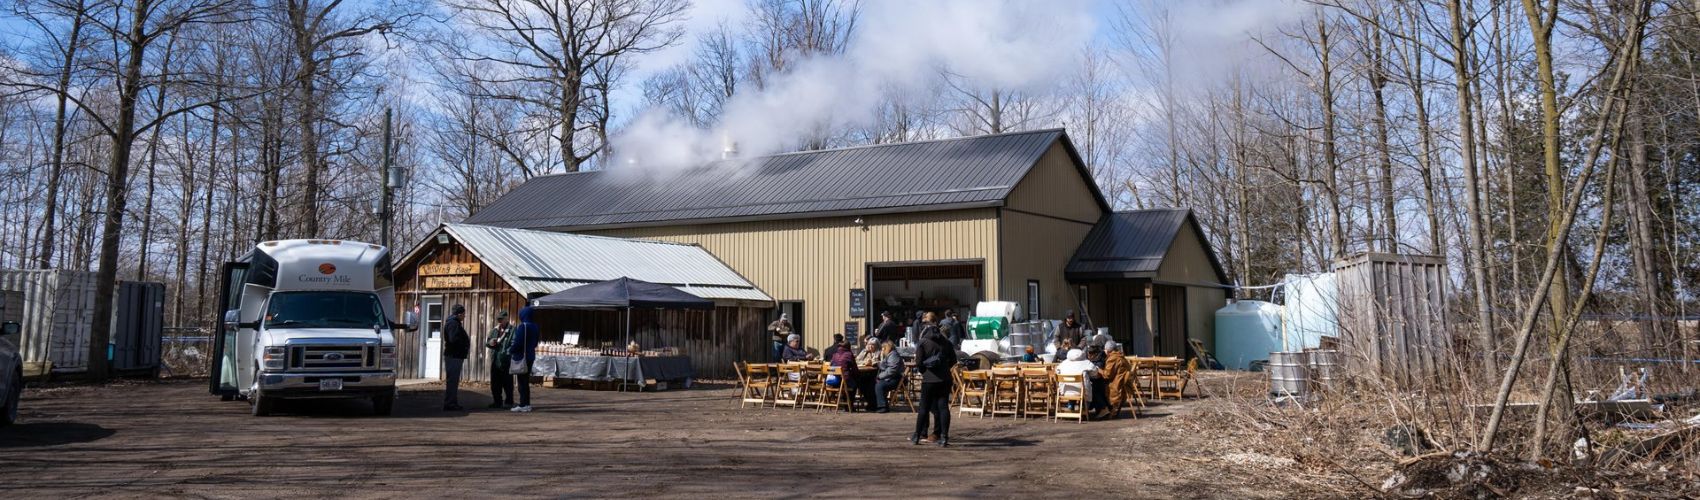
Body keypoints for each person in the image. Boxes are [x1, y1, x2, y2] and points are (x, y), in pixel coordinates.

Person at [912, 312, 956, 447]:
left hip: (929, 379)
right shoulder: (946, 342)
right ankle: (944, 437)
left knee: (924, 408)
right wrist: (943, 368)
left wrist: (925, 371)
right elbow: (953, 360)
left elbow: (918, 362)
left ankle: (917, 435)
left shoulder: (923, 342)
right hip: (945, 378)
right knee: (943, 408)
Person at [508, 305, 541, 413]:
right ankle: (526, 404)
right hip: (531, 355)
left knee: (521, 381)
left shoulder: (523, 327)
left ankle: (523, 404)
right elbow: (535, 343)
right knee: (525, 381)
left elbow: (518, 343)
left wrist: (511, 350)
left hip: (522, 356)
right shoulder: (535, 326)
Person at [441, 304, 471, 411]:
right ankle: (450, 403)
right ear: (459, 314)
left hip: (454, 355)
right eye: (463, 314)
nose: (464, 316)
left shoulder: (454, 323)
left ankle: (451, 402)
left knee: (453, 380)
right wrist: (462, 345)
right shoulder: (453, 324)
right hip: (453, 355)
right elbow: (453, 339)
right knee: (452, 381)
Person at [483, 310, 515, 409]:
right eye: (498, 319)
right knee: (495, 383)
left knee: (508, 383)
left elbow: (514, 343)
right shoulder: (494, 330)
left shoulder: (512, 330)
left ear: (507, 318)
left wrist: (507, 352)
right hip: (495, 359)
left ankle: (509, 401)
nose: (500, 321)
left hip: (506, 360)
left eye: (502, 319)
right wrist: (490, 343)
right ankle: (497, 401)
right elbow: (487, 342)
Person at [1055, 348, 1097, 416]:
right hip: (1082, 391)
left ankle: (1070, 406)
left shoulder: (1063, 363)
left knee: (1072, 389)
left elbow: (1056, 371)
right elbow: (1095, 372)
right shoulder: (1086, 362)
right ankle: (1084, 409)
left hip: (1065, 391)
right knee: (1086, 389)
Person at [1098, 341, 1133, 419]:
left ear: (1108, 350)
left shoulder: (1112, 359)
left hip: (1116, 384)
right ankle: (1108, 410)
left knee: (1097, 387)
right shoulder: (1121, 356)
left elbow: (1107, 375)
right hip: (1123, 383)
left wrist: (1098, 370)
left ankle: (1105, 410)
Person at [872, 341, 904, 413]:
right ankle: (874, 404)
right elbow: (885, 365)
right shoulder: (890, 355)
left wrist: (879, 376)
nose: (882, 350)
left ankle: (883, 407)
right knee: (871, 382)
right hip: (891, 377)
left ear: (887, 348)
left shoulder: (894, 355)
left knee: (879, 385)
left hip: (895, 379)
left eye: (883, 348)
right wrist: (877, 364)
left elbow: (892, 370)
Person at [854, 339, 882, 410]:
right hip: (865, 373)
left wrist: (872, 362)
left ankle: (873, 404)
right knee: (860, 383)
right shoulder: (865, 351)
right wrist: (864, 359)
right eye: (869, 344)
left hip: (876, 374)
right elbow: (857, 360)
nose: (871, 346)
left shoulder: (880, 352)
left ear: (877, 345)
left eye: (873, 345)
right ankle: (870, 402)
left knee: (870, 385)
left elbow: (881, 362)